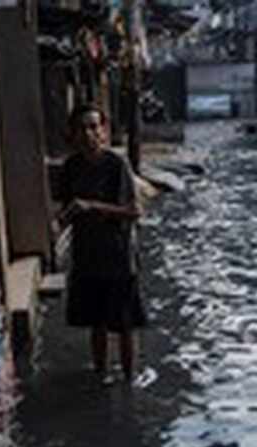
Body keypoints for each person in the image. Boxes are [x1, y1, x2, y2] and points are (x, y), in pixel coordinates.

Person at [55, 104, 148, 386]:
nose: (89, 134)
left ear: (104, 132)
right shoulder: (71, 168)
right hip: (86, 256)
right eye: (83, 128)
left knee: (124, 324)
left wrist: (92, 206)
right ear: (73, 135)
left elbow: (134, 211)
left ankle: (130, 379)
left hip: (118, 256)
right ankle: (101, 375)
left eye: (94, 127)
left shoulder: (116, 165)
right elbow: (66, 209)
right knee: (96, 323)